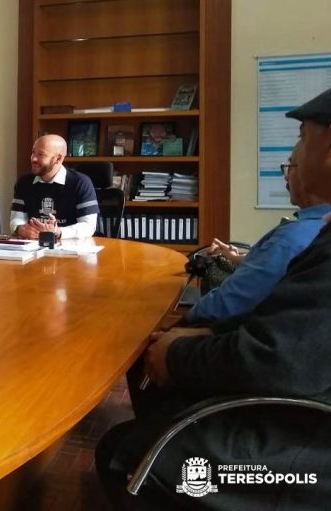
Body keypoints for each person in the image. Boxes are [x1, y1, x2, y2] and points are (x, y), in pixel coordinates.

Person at [96, 87, 331, 510]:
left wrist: (179, 354)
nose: (294, 153)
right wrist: (208, 335)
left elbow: (277, 359)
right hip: (298, 414)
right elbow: (292, 327)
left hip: (302, 443)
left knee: (123, 453)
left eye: (301, 137)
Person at [186, 144, 331, 324]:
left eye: (290, 166)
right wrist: (236, 257)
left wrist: (188, 315)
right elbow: (278, 267)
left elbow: (224, 306)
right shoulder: (317, 229)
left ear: (311, 173)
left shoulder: (290, 239)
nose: (286, 176)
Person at [10, 134, 98, 240]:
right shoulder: (24, 182)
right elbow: (16, 218)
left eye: (41, 154)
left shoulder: (80, 182)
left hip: (70, 245)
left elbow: (89, 226)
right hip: (33, 244)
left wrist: (58, 232)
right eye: (33, 152)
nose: (34, 158)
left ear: (58, 158)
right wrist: (20, 229)